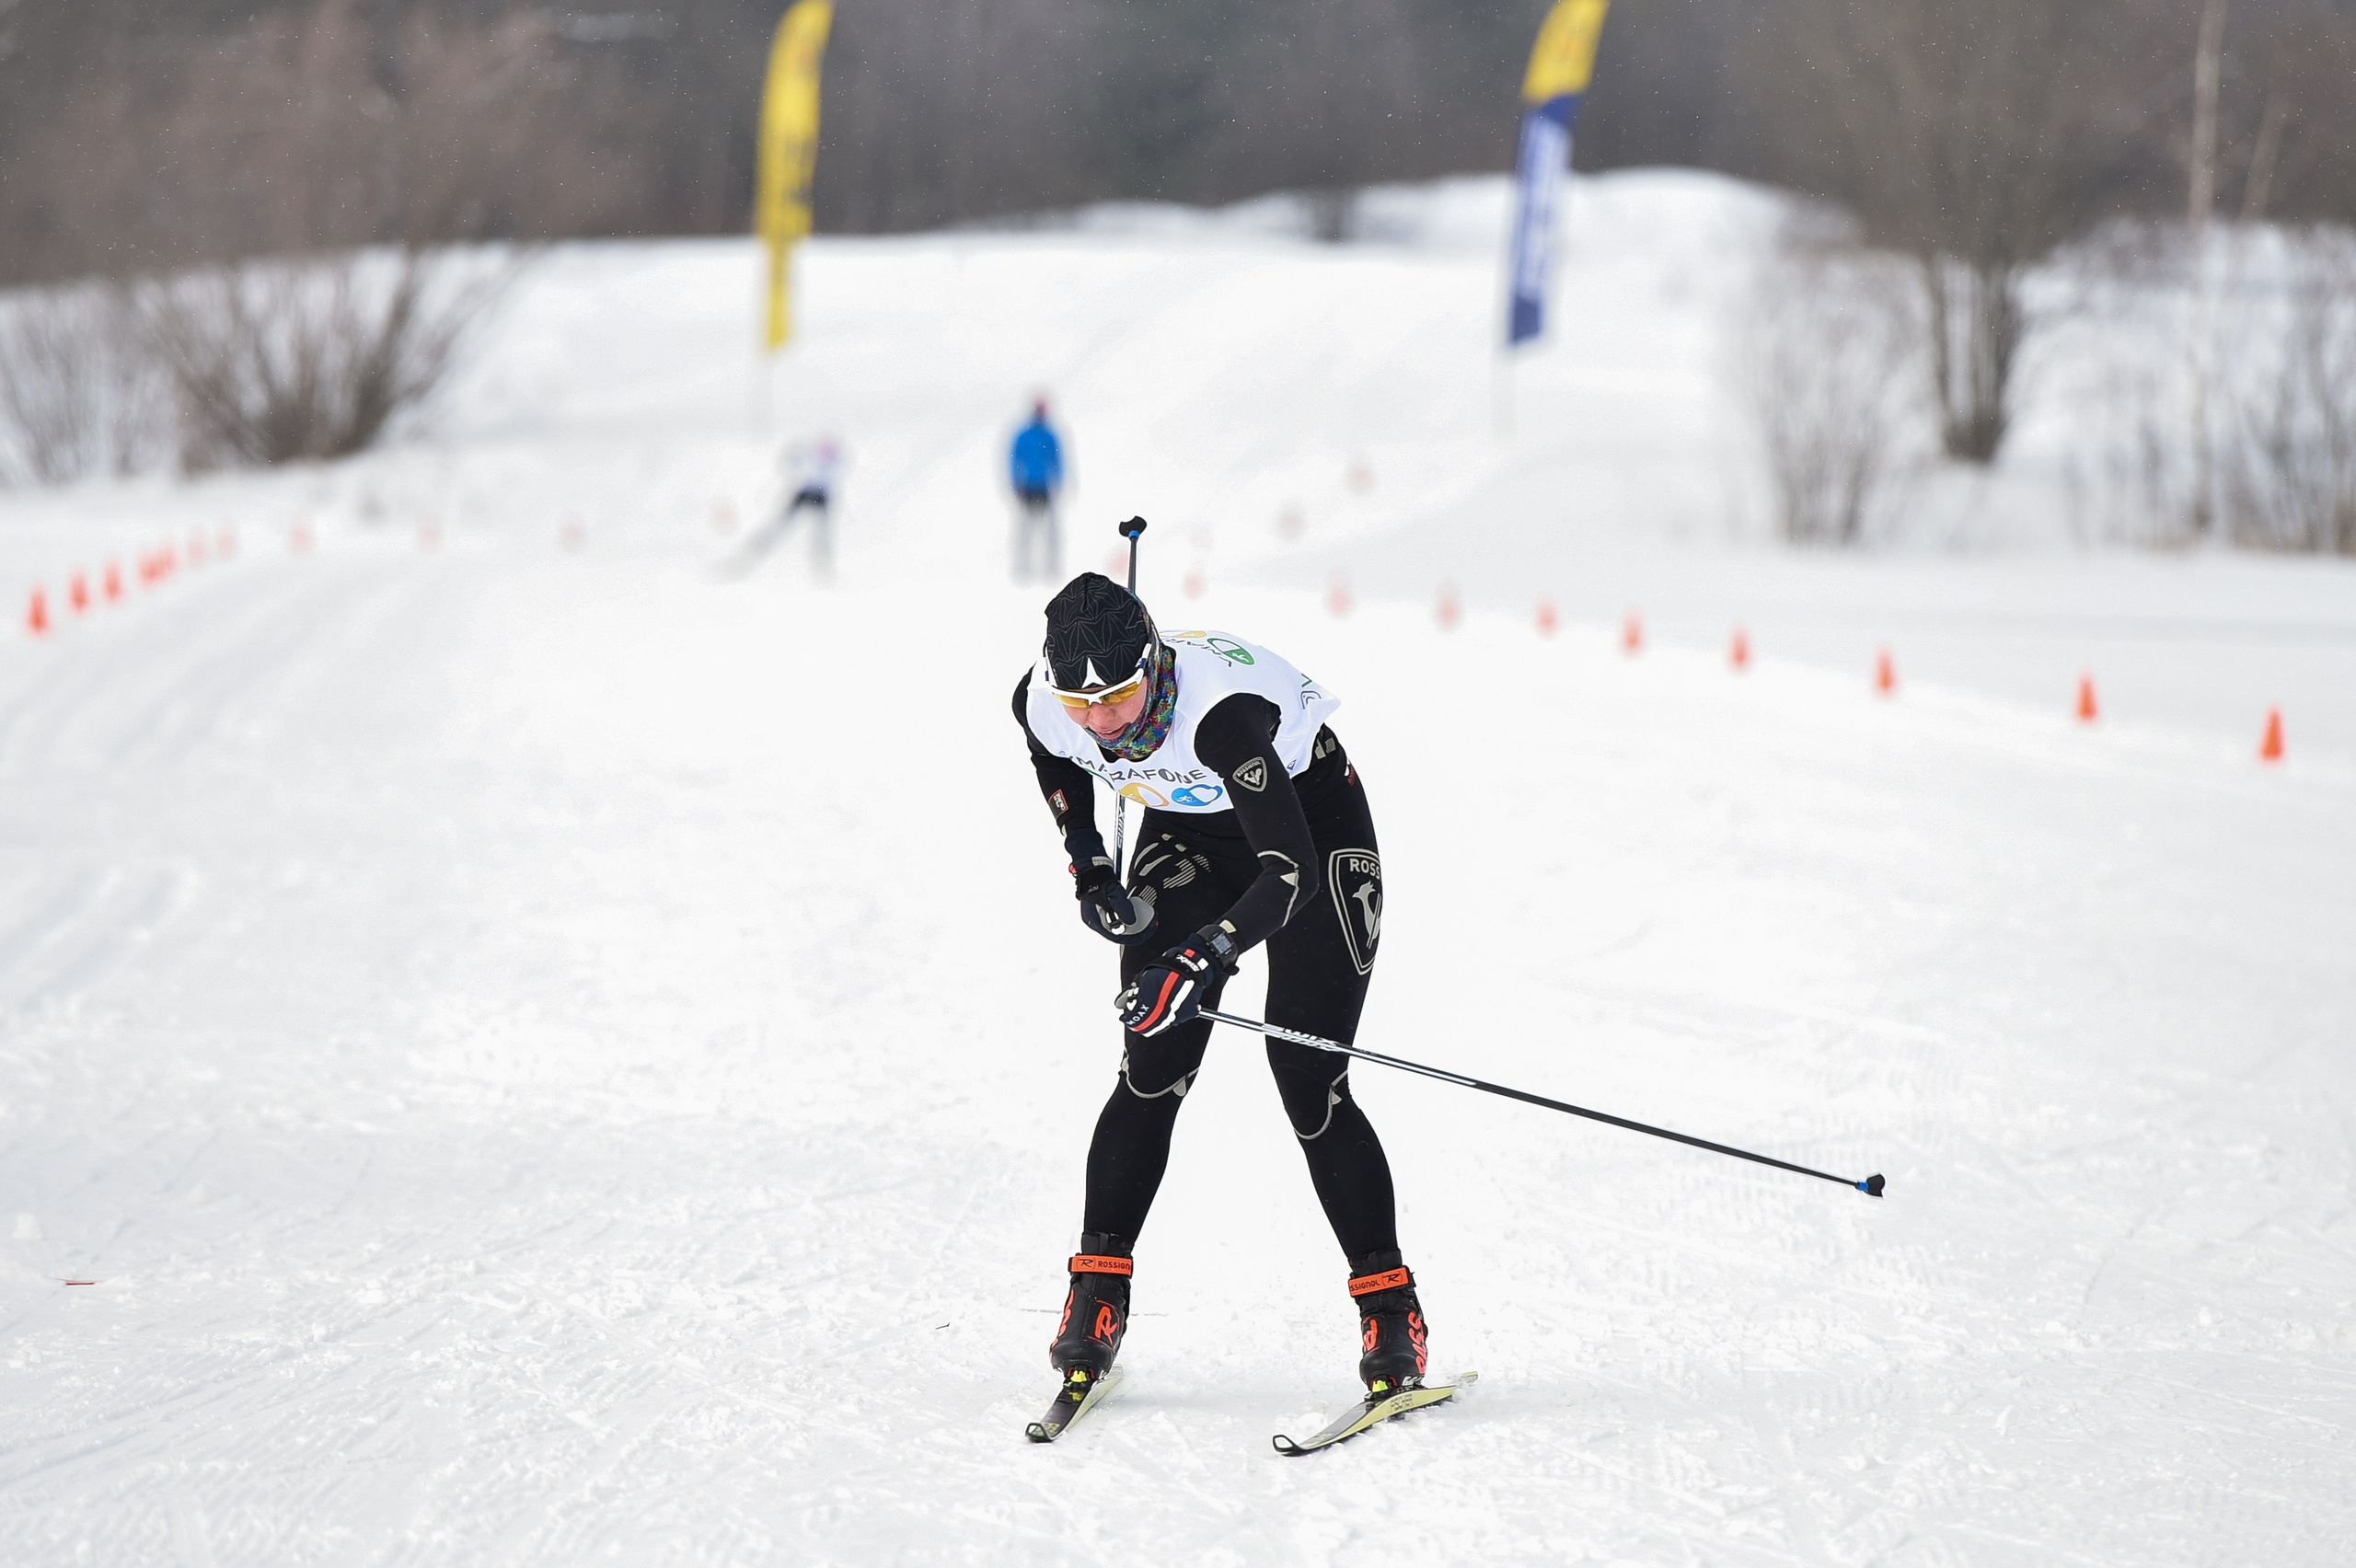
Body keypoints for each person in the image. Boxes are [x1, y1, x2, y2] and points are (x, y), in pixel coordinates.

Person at [1012, 571, 1428, 1400]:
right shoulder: (1043, 702)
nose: (1100, 723)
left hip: (1307, 837)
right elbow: (1050, 756)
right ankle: (1097, 1292)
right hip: (1192, 838)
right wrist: (1090, 867)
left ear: (1155, 665)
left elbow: (1287, 874)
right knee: (1152, 1062)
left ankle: (1390, 1310)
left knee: (1309, 1079)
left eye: (1120, 699)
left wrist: (1200, 959)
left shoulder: (1221, 716)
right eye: (1080, 705)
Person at [1008, 400, 1064, 582]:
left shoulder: (1049, 435)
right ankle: (1023, 566)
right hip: (1028, 487)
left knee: (1049, 528)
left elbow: (1057, 459)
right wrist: (1017, 482)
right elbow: (1016, 459)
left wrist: (1057, 481)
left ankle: (1051, 565)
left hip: (1044, 487)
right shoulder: (1025, 435)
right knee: (1026, 527)